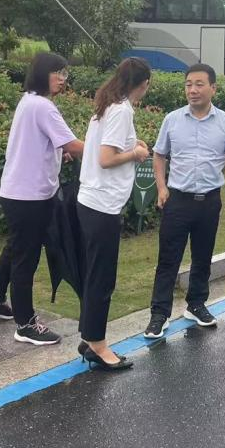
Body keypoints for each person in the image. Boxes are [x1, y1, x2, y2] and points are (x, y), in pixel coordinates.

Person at [0, 53, 84, 346]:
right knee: (26, 258)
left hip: (16, 192)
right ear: (41, 74)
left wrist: (57, 152)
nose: (62, 80)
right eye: (57, 73)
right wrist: (111, 154)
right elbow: (74, 145)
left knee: (15, 248)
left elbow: (41, 143)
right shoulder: (43, 107)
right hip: (30, 197)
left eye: (65, 74)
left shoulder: (28, 101)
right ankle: (25, 324)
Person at [144, 64, 225, 338]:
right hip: (178, 200)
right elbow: (159, 155)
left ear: (213, 88)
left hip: (209, 201)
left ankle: (196, 304)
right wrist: (161, 187)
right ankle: (159, 314)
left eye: (199, 84)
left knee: (203, 256)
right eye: (188, 84)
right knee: (168, 258)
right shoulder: (172, 119)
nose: (193, 90)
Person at [76, 58, 152, 371]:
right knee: (102, 277)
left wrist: (134, 144)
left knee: (95, 273)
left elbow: (106, 147)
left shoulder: (108, 105)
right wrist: (136, 153)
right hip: (102, 204)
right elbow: (106, 158)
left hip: (91, 200)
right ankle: (98, 344)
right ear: (144, 84)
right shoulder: (121, 110)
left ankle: (89, 337)